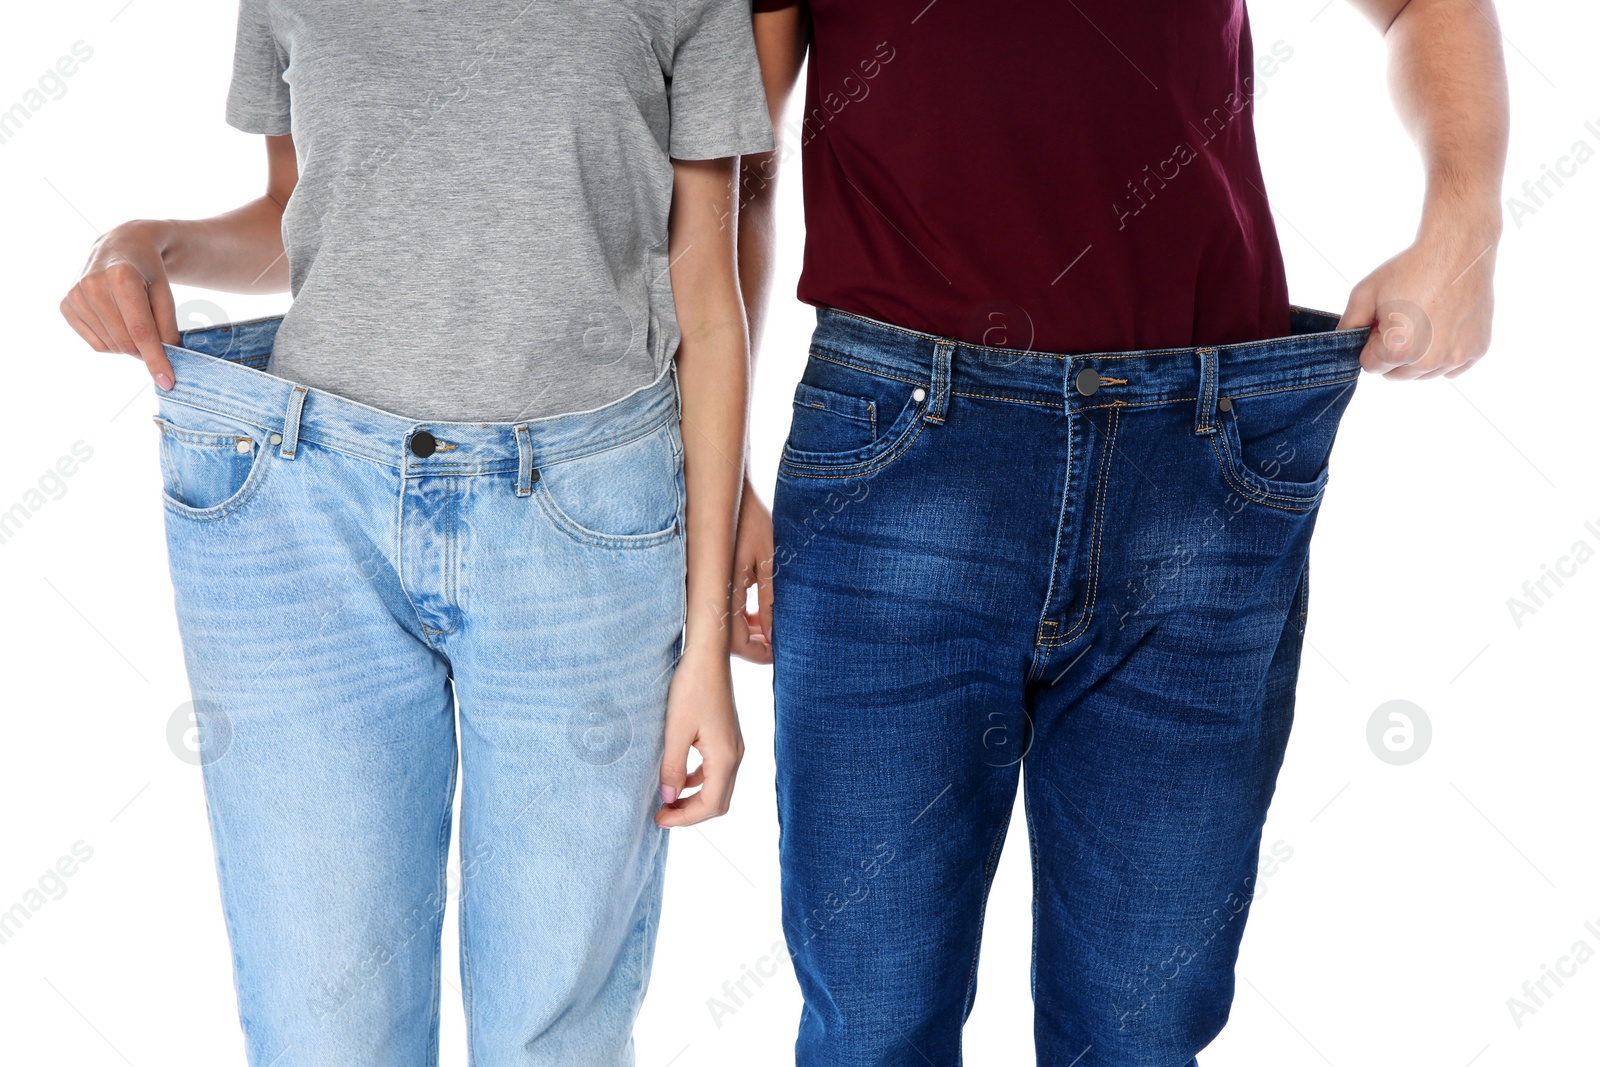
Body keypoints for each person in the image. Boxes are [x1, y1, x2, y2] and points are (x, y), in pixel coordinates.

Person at [733, 1, 1507, 1064]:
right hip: (902, 449)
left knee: (1139, 1034)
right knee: (870, 1021)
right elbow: (735, 157)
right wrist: (717, 474)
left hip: (1200, 463)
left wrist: (1465, 216)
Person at [58, 3, 771, 1064]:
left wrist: (704, 641)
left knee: (555, 1036)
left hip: (581, 521)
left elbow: (705, 299)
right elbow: (299, 216)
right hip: (309, 513)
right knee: (323, 1030)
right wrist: (141, 244)